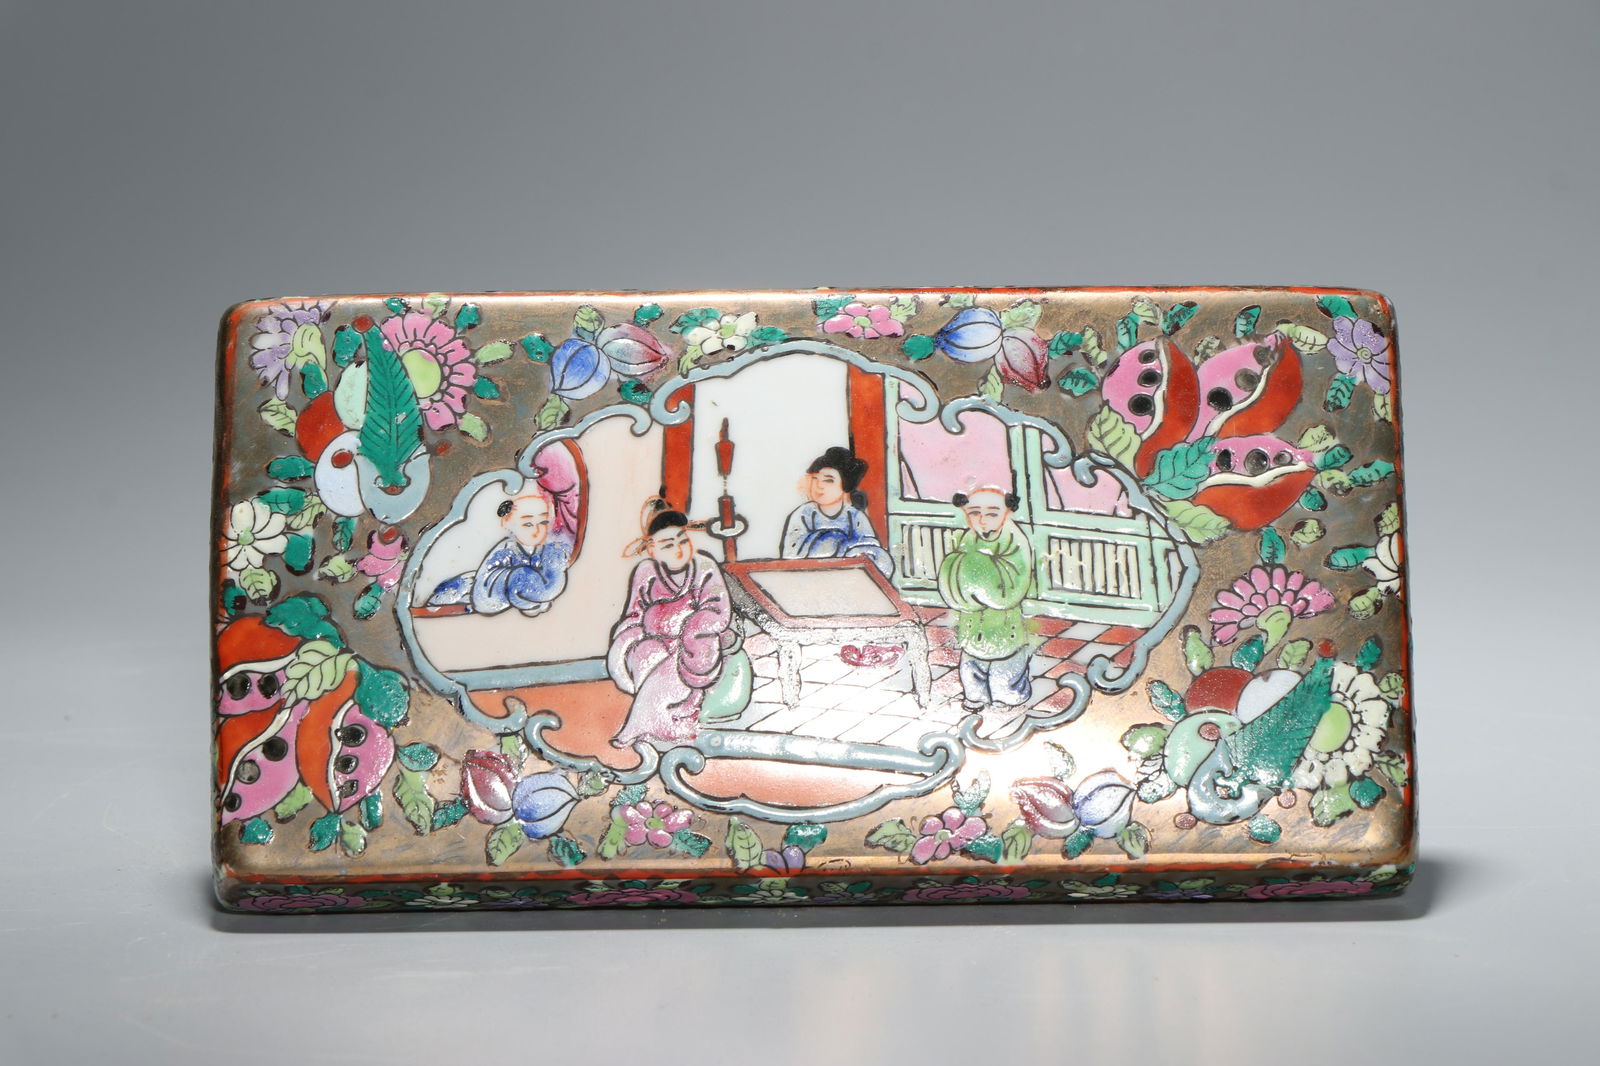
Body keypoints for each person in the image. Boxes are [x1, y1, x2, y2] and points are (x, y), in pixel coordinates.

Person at [608, 503, 751, 749]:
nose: (678, 550)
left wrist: (691, 630)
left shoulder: (704, 566)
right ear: (652, 549)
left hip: (697, 641)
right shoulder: (646, 571)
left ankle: (665, 722)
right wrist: (629, 640)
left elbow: (717, 609)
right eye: (668, 545)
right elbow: (634, 615)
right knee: (645, 653)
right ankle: (659, 725)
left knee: (682, 659)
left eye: (682, 541)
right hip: (658, 640)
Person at [936, 487, 1036, 719]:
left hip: (1004, 619)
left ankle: (1007, 699)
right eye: (974, 513)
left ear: (1007, 512)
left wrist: (977, 570)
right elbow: (956, 569)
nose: (982, 520)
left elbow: (1016, 580)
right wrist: (963, 575)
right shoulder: (968, 538)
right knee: (972, 664)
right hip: (972, 617)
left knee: (1006, 667)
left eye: (992, 513)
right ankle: (975, 696)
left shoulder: (1015, 539)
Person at [427, 491, 572, 615]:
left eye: (543, 522)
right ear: (507, 523)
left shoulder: (542, 550)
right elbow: (490, 575)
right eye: (528, 524)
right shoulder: (507, 549)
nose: (537, 530)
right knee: (521, 576)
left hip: (523, 592)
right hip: (493, 592)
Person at [780, 445, 893, 577]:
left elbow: (871, 550)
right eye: (815, 479)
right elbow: (791, 555)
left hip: (849, 577)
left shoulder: (855, 516)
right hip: (810, 576)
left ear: (845, 484)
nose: (819, 486)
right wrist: (834, 542)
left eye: (828, 480)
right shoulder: (803, 514)